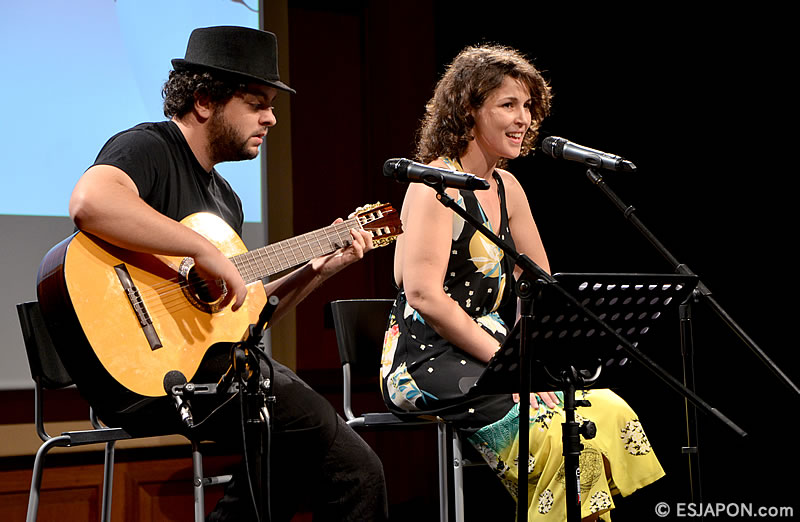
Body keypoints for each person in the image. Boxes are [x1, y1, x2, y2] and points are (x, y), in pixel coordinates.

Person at [68, 26, 388, 521]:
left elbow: (242, 317)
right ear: (203, 100)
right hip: (150, 376)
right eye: (257, 103)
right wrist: (200, 249)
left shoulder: (226, 201)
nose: (271, 118)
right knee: (350, 466)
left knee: (302, 456)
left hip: (217, 368)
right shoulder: (149, 147)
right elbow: (90, 202)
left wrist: (315, 270)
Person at [380, 44, 664, 520]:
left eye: (528, 106)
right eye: (508, 105)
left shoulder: (508, 187)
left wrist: (536, 359)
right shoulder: (434, 185)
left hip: (496, 351)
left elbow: (539, 284)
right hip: (427, 358)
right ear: (468, 111)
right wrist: (513, 369)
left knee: (604, 411)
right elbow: (424, 295)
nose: (524, 119)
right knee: (553, 436)